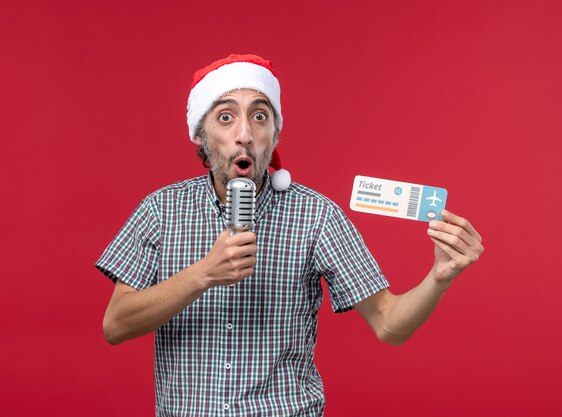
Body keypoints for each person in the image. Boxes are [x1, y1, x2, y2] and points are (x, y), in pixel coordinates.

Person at [96, 54, 484, 417]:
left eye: (260, 116)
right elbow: (116, 325)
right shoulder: (161, 211)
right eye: (226, 117)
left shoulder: (317, 216)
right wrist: (203, 274)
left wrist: (439, 278)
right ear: (200, 134)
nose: (245, 134)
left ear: (275, 133)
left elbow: (389, 325)